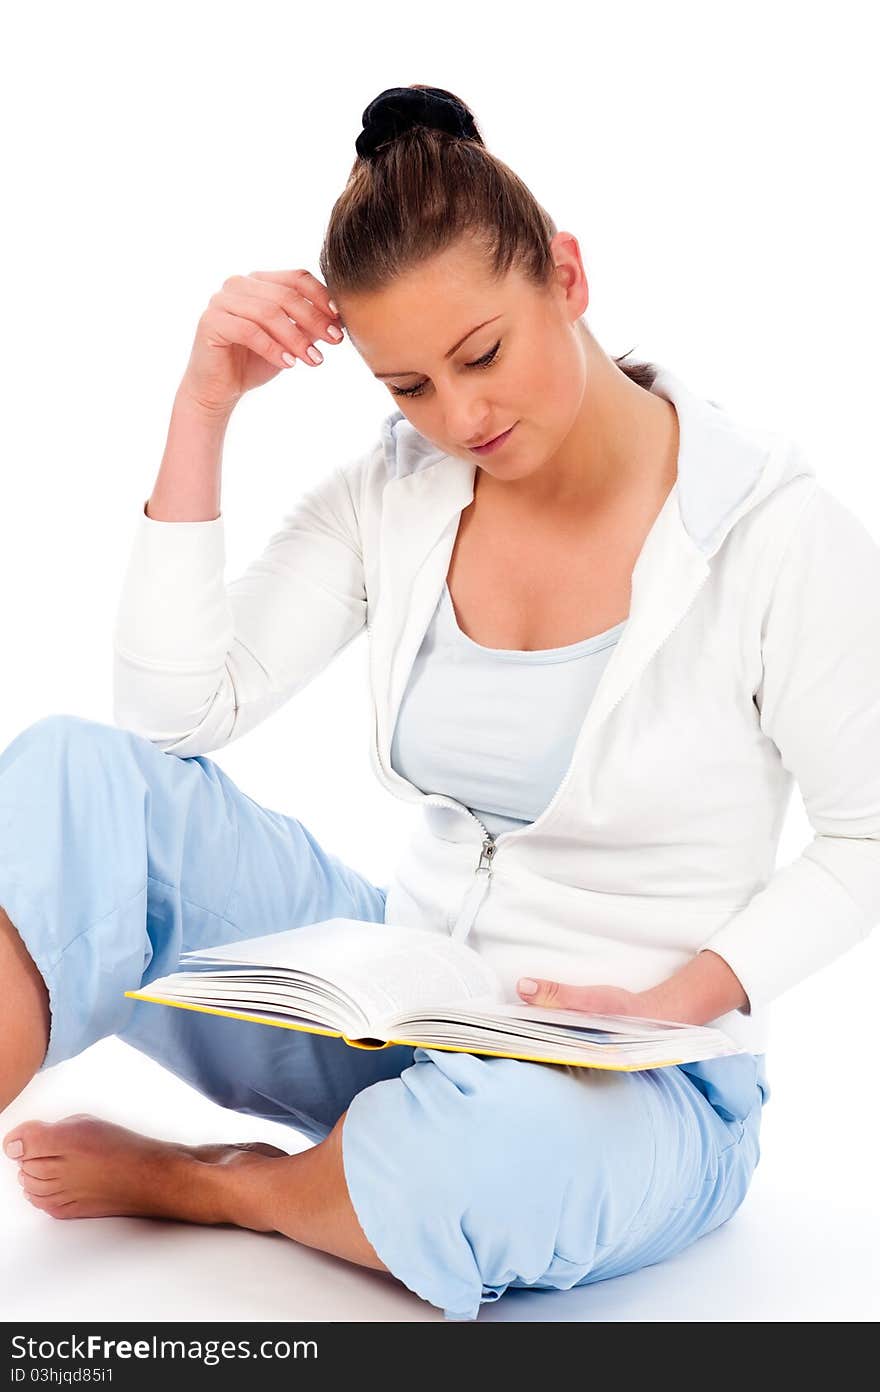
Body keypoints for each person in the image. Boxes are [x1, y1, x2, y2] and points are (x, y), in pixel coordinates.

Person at [1, 84, 878, 1324]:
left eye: (482, 355)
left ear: (565, 276)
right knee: (66, 782)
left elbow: (864, 837)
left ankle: (230, 1191)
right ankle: (347, 1169)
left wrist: (677, 1000)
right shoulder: (399, 492)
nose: (460, 419)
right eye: (408, 386)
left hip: (635, 1083)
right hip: (406, 997)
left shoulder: (775, 537)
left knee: (476, 1161)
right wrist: (205, 406)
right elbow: (171, 717)